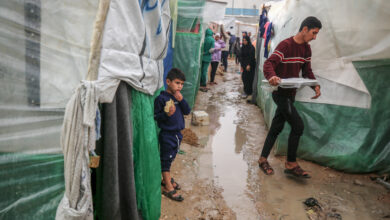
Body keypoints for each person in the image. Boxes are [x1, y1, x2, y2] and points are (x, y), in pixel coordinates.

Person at [258, 16, 322, 178]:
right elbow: (269, 64)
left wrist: (315, 85)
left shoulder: (306, 49)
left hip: (291, 95)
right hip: (281, 94)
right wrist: (272, 76)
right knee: (298, 126)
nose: (315, 37)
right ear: (305, 29)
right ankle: (291, 163)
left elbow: (307, 71)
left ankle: (262, 159)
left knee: (276, 128)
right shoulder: (286, 45)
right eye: (314, 33)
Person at [154, 68, 191, 201]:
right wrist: (166, 114)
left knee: (171, 158)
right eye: (177, 83)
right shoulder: (161, 99)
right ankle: (168, 187)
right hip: (167, 135)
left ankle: (166, 179)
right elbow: (156, 116)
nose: (179, 86)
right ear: (168, 81)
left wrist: (181, 100)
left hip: (177, 134)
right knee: (166, 160)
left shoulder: (178, 97)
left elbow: (187, 111)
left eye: (181, 84)